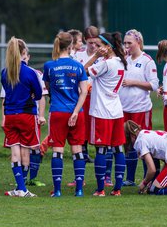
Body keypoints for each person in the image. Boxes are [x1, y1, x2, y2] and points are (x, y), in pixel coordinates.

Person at [43, 31, 88, 197]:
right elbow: (84, 92)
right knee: (77, 149)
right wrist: (76, 112)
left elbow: (48, 87)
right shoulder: (78, 66)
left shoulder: (49, 65)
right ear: (70, 46)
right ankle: (79, 190)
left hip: (58, 111)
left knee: (57, 150)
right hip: (76, 112)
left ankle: (58, 190)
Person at [84, 32, 127, 196]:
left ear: (108, 47)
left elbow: (83, 71)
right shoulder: (120, 62)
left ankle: (100, 189)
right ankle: (117, 188)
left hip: (102, 112)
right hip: (116, 111)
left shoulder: (106, 63)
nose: (97, 48)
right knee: (118, 149)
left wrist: (95, 55)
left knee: (101, 150)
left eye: (100, 45)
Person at [2, 37, 43, 197]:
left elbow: (6, 90)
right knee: (26, 151)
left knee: (14, 150)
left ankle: (20, 187)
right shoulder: (30, 72)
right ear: (24, 53)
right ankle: (23, 189)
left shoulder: (5, 71)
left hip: (10, 115)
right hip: (26, 115)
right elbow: (39, 94)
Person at [120, 29, 159, 186]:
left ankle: (147, 178)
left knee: (143, 141)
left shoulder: (147, 61)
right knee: (126, 142)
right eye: (125, 42)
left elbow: (154, 84)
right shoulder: (123, 60)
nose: (127, 45)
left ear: (139, 42)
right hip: (124, 108)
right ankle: (129, 179)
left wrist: (133, 82)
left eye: (130, 42)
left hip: (141, 109)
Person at [65, 26, 100, 187]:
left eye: (95, 42)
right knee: (80, 137)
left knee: (101, 138)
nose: (93, 46)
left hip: (98, 100)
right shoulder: (77, 55)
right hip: (80, 99)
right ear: (86, 40)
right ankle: (80, 176)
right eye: (90, 42)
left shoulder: (102, 56)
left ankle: (105, 176)